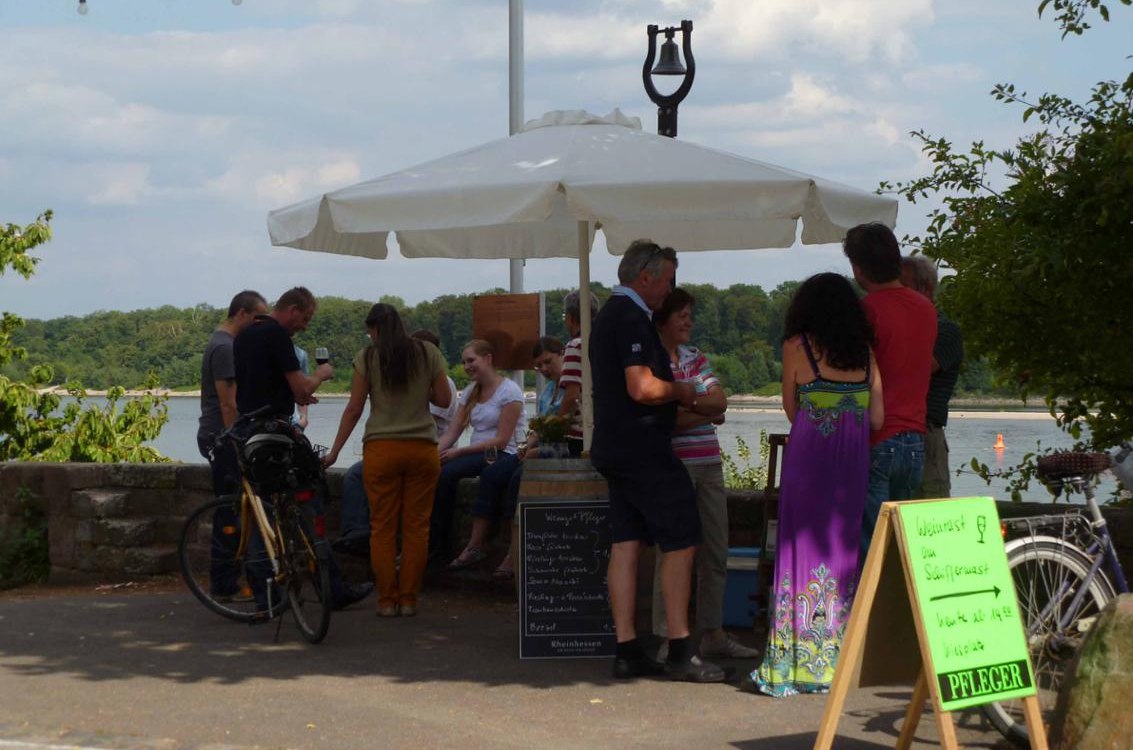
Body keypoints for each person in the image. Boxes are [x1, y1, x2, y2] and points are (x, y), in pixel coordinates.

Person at [589, 239, 725, 683]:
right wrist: (684, 392)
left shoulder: (611, 315)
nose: (671, 290)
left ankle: (627, 648)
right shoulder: (630, 317)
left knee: (627, 543)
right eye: (668, 280)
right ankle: (682, 650)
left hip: (614, 446)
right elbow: (642, 388)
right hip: (642, 447)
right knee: (682, 539)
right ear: (645, 277)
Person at [751, 272, 883, 697]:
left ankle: (795, 662)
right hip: (851, 464)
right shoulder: (866, 354)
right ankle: (834, 660)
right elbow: (877, 419)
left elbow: (793, 411)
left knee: (798, 550)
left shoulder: (796, 348)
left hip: (810, 461)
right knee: (841, 552)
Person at [233, 286, 373, 611]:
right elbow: (301, 388)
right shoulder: (277, 335)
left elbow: (259, 383)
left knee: (262, 511)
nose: (305, 326)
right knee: (311, 499)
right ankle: (332, 588)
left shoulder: (244, 335)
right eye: (306, 318)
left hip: (249, 431)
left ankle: (267, 597)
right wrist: (322, 375)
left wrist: (292, 393)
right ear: (292, 309)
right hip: (276, 434)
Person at [649, 288, 760, 661]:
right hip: (673, 466)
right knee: (673, 554)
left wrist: (687, 404)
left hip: (709, 464)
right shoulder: (651, 364)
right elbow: (666, 422)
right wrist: (703, 411)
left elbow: (721, 401)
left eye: (690, 315)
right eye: (681, 314)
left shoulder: (696, 358)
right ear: (662, 317)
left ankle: (712, 631)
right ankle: (669, 637)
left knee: (715, 552)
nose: (688, 321)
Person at [323, 303, 451, 617]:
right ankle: (408, 600)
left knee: (382, 528)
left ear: (374, 329)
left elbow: (354, 409)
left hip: (382, 448)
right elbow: (444, 400)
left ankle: (386, 601)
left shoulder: (368, 357)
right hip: (422, 448)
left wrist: (335, 451)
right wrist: (421, 392)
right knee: (417, 528)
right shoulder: (427, 353)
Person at [843, 223, 936, 557]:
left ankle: (865, 611)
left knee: (869, 550)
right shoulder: (927, 309)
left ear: (858, 267)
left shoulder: (865, 311)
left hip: (876, 439)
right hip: (914, 439)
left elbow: (852, 376)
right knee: (897, 549)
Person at [333, 329, 458, 560]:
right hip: (401, 448)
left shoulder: (443, 383)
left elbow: (424, 421)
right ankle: (356, 532)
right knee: (354, 475)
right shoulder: (414, 378)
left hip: (424, 451)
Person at [431, 339, 526, 573]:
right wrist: (433, 454)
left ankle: (465, 545)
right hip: (478, 453)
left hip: (502, 453)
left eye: (471, 360)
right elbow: (453, 431)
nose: (467, 366)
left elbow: (502, 440)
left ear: (488, 359)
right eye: (464, 362)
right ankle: (436, 543)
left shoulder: (509, 391)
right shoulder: (472, 391)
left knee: (450, 472)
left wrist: (459, 452)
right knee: (439, 473)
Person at [196, 289, 267, 600]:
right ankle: (224, 583)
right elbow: (228, 403)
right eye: (257, 318)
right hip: (221, 437)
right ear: (241, 313)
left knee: (234, 509)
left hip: (218, 435)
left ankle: (229, 581)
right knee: (230, 511)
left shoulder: (223, 343)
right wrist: (236, 441)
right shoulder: (224, 347)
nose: (259, 324)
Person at [900, 256, 965, 498]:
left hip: (925, 433)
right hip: (891, 433)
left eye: (902, 285)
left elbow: (917, 367)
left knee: (928, 509)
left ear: (925, 289)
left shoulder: (946, 330)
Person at [558, 290, 599, 457]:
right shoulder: (602, 342)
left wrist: (555, 427)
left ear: (570, 317)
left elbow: (572, 396)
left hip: (578, 433)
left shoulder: (576, 346)